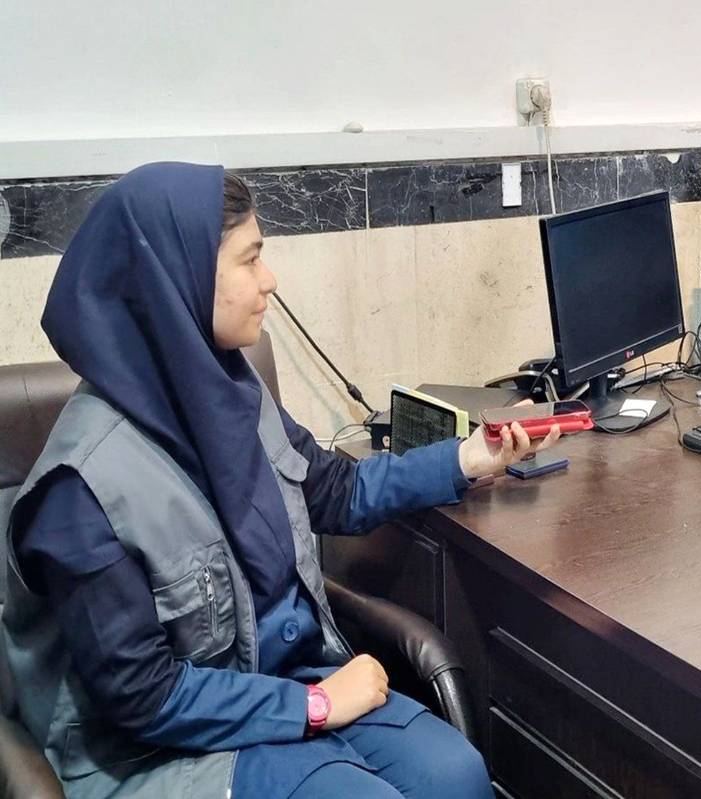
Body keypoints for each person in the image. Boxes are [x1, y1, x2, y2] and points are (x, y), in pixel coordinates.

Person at [2, 162, 561, 798]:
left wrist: (469, 457)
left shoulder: (230, 393)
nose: (269, 280)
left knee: (456, 774)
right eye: (250, 259)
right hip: (155, 751)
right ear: (174, 280)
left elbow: (337, 490)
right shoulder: (78, 491)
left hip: (287, 683)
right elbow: (145, 699)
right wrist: (315, 706)